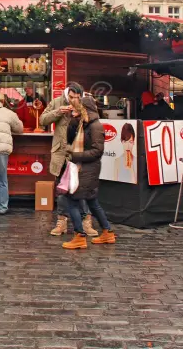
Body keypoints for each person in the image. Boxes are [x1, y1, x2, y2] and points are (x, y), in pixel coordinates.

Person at [40, 82, 98, 237]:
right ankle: (61, 223)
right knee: (62, 189)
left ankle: (87, 223)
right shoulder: (57, 102)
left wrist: (81, 113)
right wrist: (58, 112)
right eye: (71, 97)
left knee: (82, 188)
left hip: (80, 153)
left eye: (77, 98)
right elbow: (43, 120)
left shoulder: (86, 102)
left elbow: (95, 120)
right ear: (67, 94)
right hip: (61, 153)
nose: (74, 100)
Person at [62, 96, 116, 249]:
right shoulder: (83, 123)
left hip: (87, 168)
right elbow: (70, 136)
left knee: (72, 199)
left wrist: (74, 156)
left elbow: (97, 151)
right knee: (92, 201)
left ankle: (79, 236)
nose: (76, 109)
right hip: (84, 167)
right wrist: (71, 118)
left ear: (85, 108)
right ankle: (108, 232)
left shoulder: (95, 126)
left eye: (78, 107)